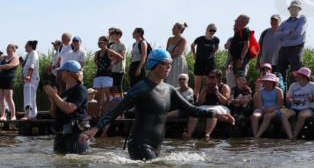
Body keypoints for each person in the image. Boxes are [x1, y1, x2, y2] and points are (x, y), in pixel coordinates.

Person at [89, 48, 234, 160]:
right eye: (165, 64)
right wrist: (96, 128)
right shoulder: (141, 88)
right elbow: (117, 110)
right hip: (139, 144)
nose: (169, 68)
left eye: (170, 65)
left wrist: (216, 114)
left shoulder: (169, 90)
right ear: (154, 64)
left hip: (156, 146)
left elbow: (191, 109)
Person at [45, 60, 90, 155]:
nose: (61, 73)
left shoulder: (80, 90)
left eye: (63, 71)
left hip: (76, 135)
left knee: (74, 163)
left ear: (70, 73)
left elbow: (69, 108)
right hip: (61, 134)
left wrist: (55, 96)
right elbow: (53, 114)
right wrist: (53, 101)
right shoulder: (64, 93)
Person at [185, 70, 230, 140]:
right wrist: (204, 93)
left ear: (218, 78)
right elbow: (200, 102)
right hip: (206, 106)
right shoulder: (206, 86)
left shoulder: (224, 87)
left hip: (220, 107)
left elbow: (225, 102)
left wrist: (217, 92)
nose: (210, 79)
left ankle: (207, 134)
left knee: (212, 111)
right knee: (195, 111)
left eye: (212, 77)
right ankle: (189, 134)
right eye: (209, 77)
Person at [283, 67, 314, 140]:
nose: (296, 76)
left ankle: (295, 136)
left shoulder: (313, 85)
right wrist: (293, 100)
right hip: (295, 107)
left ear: (304, 76)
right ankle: (290, 136)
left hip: (308, 108)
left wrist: (312, 99)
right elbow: (288, 97)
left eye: (298, 74)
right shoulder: (293, 85)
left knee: (301, 115)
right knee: (283, 116)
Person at [251, 73, 290, 139]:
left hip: (276, 109)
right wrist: (264, 109)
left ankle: (257, 136)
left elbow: (280, 104)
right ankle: (255, 134)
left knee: (267, 116)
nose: (266, 83)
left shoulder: (278, 91)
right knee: (254, 116)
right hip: (263, 108)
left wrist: (271, 109)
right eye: (265, 81)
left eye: (268, 81)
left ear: (273, 82)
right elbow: (259, 105)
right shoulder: (260, 92)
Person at [275, 0, 307, 81]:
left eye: (295, 8)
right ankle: (283, 93)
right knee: (280, 74)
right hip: (283, 50)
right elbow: (276, 35)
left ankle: (294, 93)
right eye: (291, 8)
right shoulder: (284, 22)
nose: (293, 9)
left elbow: (298, 33)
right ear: (289, 10)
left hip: (296, 50)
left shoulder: (302, 19)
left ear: (299, 9)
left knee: (296, 74)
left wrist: (283, 35)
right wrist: (288, 32)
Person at [191, 24, 220, 97]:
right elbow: (192, 45)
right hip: (199, 63)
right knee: (197, 86)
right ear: (207, 30)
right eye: (211, 30)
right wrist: (194, 55)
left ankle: (207, 101)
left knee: (210, 84)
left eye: (214, 31)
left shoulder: (216, 40)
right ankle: (195, 102)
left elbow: (216, 48)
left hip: (210, 64)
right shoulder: (200, 39)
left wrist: (213, 55)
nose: (212, 32)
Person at [224, 14, 253, 87]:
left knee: (239, 80)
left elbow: (246, 45)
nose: (235, 21)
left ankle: (239, 96)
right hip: (234, 61)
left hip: (240, 61)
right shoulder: (238, 33)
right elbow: (228, 47)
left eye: (237, 20)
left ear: (244, 22)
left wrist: (241, 58)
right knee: (235, 81)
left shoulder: (245, 31)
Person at [0, 44, 19, 120]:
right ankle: (3, 115)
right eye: (7, 48)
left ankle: (13, 115)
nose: (8, 50)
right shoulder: (4, 58)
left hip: (9, 79)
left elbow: (9, 66)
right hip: (0, 79)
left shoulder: (16, 58)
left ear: (13, 49)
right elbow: (0, 69)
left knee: (8, 97)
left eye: (9, 48)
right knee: (0, 97)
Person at [92, 37, 115, 108]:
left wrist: (112, 64)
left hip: (107, 75)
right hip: (98, 75)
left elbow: (120, 57)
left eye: (100, 42)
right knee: (97, 95)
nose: (99, 44)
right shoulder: (97, 53)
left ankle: (109, 111)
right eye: (98, 42)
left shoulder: (109, 51)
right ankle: (98, 114)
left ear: (106, 43)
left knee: (107, 94)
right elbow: (95, 61)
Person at [165, 23, 189, 87]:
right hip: (170, 61)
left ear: (179, 29)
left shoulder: (183, 40)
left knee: (177, 79)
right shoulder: (170, 39)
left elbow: (179, 52)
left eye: (174, 28)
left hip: (178, 62)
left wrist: (169, 56)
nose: (172, 29)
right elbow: (166, 50)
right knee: (169, 78)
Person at [21, 40, 40, 119]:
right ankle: (32, 115)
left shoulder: (33, 53)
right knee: (30, 95)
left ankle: (28, 115)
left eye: (26, 45)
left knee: (29, 95)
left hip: (31, 78)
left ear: (30, 46)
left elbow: (32, 65)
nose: (25, 47)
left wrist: (29, 76)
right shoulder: (29, 54)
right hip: (28, 79)